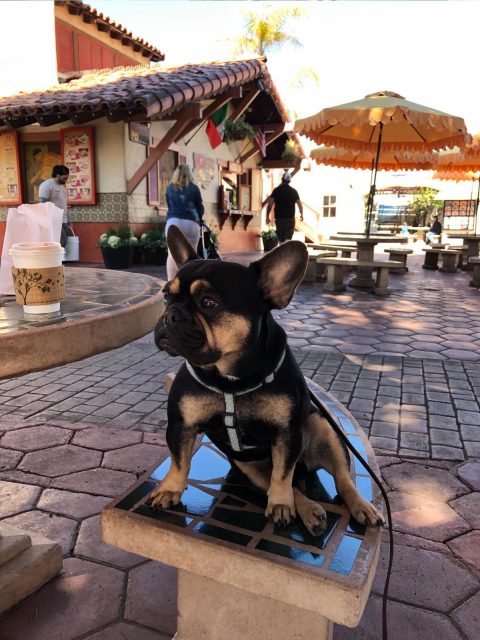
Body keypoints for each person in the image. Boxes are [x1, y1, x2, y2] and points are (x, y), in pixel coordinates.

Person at [165, 164, 204, 280]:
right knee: (192, 254)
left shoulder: (169, 188)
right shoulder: (194, 188)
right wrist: (200, 219)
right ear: (189, 174)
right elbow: (200, 208)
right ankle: (188, 283)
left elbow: (169, 205)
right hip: (191, 222)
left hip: (173, 221)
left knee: (172, 254)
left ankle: (171, 284)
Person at [264, 172, 303, 243]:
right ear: (289, 180)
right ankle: (287, 252)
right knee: (288, 240)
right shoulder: (294, 191)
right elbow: (299, 204)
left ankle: (282, 253)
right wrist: (301, 214)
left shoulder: (276, 190)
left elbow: (270, 204)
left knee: (280, 240)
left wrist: (267, 216)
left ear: (282, 179)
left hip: (279, 219)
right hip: (290, 219)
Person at [39, 165, 70, 248]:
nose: (66, 180)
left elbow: (63, 204)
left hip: (63, 218)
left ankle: (56, 260)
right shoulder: (46, 185)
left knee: (63, 242)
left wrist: (68, 219)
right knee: (62, 241)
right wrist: (45, 221)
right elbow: (42, 203)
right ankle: (54, 260)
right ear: (57, 175)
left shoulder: (62, 187)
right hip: (53, 219)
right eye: (64, 178)